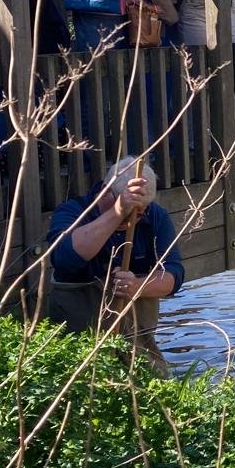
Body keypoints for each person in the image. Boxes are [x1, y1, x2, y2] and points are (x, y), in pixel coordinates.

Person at [46, 156, 183, 371]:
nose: (135, 218)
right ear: (106, 190)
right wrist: (117, 212)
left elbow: (173, 276)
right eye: (132, 210)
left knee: (153, 387)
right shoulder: (73, 212)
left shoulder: (156, 217)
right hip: (81, 346)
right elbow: (64, 259)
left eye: (142, 211)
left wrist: (137, 287)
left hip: (136, 344)